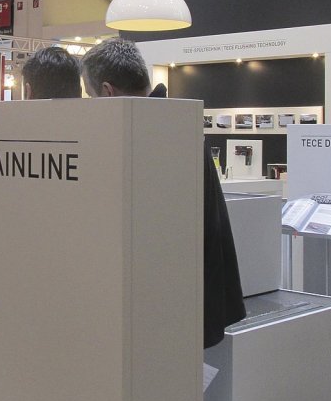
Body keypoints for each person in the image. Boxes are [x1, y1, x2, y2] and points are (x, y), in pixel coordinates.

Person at [81, 39, 246, 347]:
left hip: (169, 310)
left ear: (107, 91)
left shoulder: (150, 133)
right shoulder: (172, 121)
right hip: (189, 300)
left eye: (90, 96)